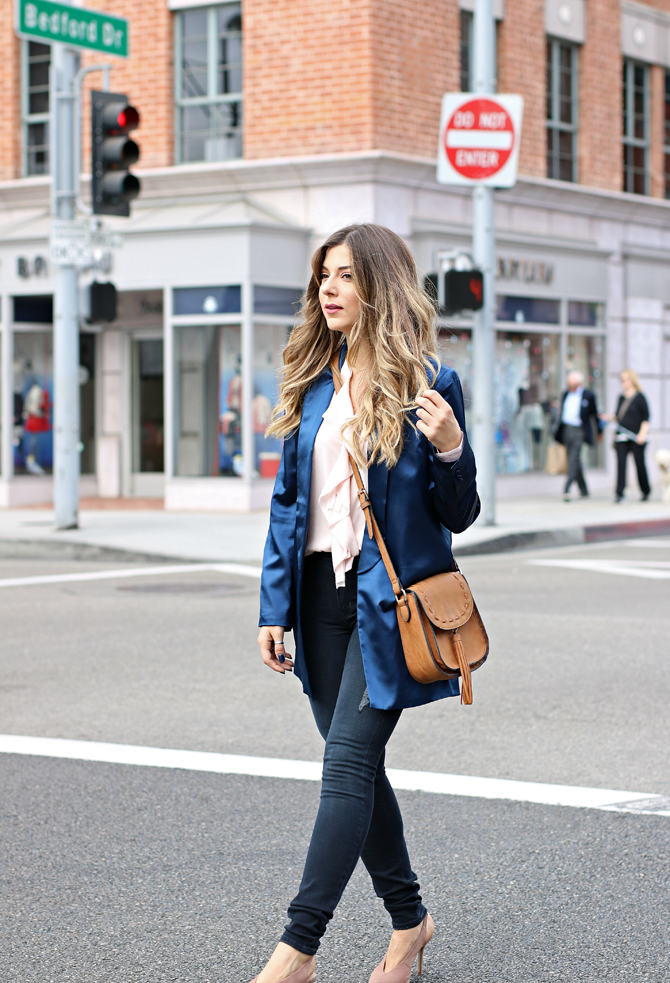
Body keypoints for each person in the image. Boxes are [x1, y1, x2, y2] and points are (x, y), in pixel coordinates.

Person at [254, 224, 479, 983]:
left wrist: (451, 447)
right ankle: (411, 923)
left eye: (346, 275)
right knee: (357, 764)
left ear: (378, 284)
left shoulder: (427, 382)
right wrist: (272, 606)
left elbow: (459, 511)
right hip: (317, 598)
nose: (329, 287)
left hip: (388, 606)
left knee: (347, 763)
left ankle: (298, 948)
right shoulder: (314, 379)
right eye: (324, 274)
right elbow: (289, 504)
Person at [601, 369, 651, 502]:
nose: (622, 382)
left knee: (639, 464)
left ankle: (645, 490)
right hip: (621, 436)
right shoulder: (621, 397)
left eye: (624, 379)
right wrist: (608, 418)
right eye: (621, 380)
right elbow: (618, 416)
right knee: (621, 465)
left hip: (635, 437)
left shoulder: (640, 397)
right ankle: (619, 493)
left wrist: (642, 434)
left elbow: (646, 418)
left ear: (631, 380)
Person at [553, 370, 601, 501]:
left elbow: (594, 415)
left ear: (579, 383)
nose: (571, 385)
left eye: (573, 383)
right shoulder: (565, 394)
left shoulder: (588, 395)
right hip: (566, 430)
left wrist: (599, 431)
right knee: (575, 460)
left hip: (579, 430)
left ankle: (567, 488)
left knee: (573, 458)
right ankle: (584, 490)